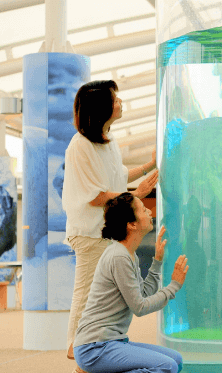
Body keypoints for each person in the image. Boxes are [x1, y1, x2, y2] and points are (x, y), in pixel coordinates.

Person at [62, 80, 159, 373]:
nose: (120, 102)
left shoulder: (108, 139)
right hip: (90, 232)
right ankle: (76, 348)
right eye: (115, 99)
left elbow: (116, 174)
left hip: (104, 232)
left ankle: (85, 349)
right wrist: (136, 194)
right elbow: (97, 195)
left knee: (100, 293)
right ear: (101, 107)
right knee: (87, 290)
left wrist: (147, 166)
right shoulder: (80, 146)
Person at [73, 193, 188, 373]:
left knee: (176, 360)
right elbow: (140, 307)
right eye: (143, 209)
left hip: (112, 342)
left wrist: (157, 261)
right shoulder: (118, 256)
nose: (149, 212)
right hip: (95, 347)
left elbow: (143, 294)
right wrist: (174, 285)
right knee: (167, 366)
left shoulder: (129, 254)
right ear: (132, 224)